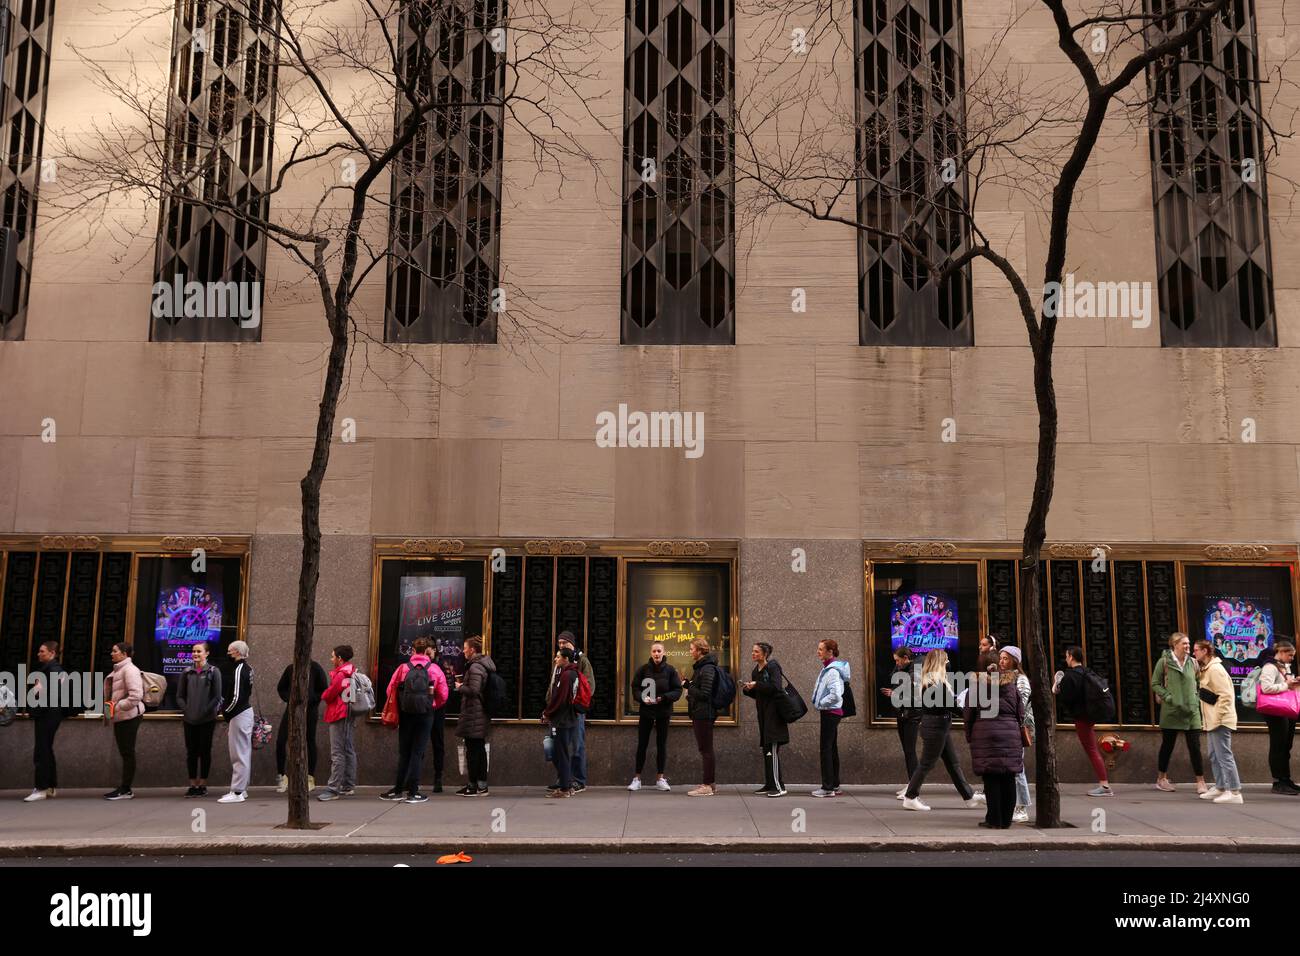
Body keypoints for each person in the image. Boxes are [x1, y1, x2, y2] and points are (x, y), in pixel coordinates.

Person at [901, 649, 982, 811]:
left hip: (938, 726)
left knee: (953, 763)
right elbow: (950, 705)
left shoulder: (931, 681)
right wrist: (969, 712)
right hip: (936, 727)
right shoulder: (934, 683)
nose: (947, 663)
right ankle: (910, 796)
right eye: (945, 661)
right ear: (939, 662)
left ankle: (969, 797)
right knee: (926, 764)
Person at [381, 637, 449, 804]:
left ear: (413, 651)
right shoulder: (434, 669)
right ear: (427, 651)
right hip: (426, 714)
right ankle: (413, 792)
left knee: (404, 752)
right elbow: (444, 695)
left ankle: (398, 789)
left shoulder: (403, 668)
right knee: (418, 752)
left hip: (406, 713)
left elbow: (390, 689)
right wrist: (432, 704)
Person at [966, 651, 1024, 829]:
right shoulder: (1011, 685)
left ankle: (994, 820)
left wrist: (970, 736)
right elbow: (1020, 712)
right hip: (1010, 734)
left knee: (991, 779)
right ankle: (1006, 820)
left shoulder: (976, 686)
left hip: (985, 735)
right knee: (1008, 777)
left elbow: (969, 714)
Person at [1150, 631, 1207, 794]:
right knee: (1167, 746)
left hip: (1191, 712)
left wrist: (1195, 700)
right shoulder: (1164, 662)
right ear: (1174, 645)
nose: (1188, 646)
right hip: (1171, 710)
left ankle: (1201, 781)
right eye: (1184, 643)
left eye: (1189, 643)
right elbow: (1155, 683)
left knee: (1195, 747)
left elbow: (1198, 683)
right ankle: (1161, 778)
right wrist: (1168, 697)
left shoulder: (1194, 663)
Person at [1053, 646, 1112, 796]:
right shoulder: (1087, 672)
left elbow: (1066, 698)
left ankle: (1104, 786)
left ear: (1071, 657)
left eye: (1067, 656)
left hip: (1081, 717)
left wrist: (1058, 686)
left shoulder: (1070, 676)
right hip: (1091, 714)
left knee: (1092, 750)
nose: (1066, 659)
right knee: (1092, 748)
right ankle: (1104, 784)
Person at [628, 641, 682, 791]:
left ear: (664, 653)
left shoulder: (671, 671)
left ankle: (660, 778)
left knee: (661, 745)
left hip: (663, 713)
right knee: (642, 745)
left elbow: (678, 691)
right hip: (646, 712)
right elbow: (635, 687)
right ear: (650, 653)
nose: (657, 654)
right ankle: (637, 779)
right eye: (654, 651)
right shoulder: (643, 669)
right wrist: (641, 698)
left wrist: (663, 698)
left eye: (659, 651)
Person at [1194, 638, 1243, 804]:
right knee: (1215, 755)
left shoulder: (1215, 669)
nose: (1194, 653)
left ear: (1205, 651)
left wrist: (1218, 717)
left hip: (1219, 720)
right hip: (1212, 720)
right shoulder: (1207, 669)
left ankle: (1235, 791)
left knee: (1224, 756)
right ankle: (1221, 787)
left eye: (1196, 650)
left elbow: (1226, 696)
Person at [546, 632, 594, 794]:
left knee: (576, 746)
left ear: (572, 643)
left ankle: (579, 780)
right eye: (559, 643)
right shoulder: (560, 659)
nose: (561, 645)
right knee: (557, 747)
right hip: (557, 712)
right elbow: (553, 685)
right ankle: (564, 779)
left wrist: (574, 706)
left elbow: (588, 686)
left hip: (573, 713)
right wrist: (549, 703)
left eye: (564, 643)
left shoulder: (581, 661)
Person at [176, 641, 223, 798]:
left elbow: (217, 697)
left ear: (207, 653)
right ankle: (192, 784)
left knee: (204, 751)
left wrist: (204, 711)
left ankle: (202, 784)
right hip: (189, 720)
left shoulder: (213, 672)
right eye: (194, 651)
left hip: (207, 720)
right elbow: (179, 696)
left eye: (199, 651)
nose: (195, 654)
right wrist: (187, 709)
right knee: (191, 752)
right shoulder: (186, 672)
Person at [742, 642, 789, 797]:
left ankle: (778, 787)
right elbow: (760, 693)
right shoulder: (756, 670)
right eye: (752, 651)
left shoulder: (773, 667)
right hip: (763, 713)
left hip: (774, 714)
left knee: (773, 749)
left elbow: (776, 687)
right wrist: (749, 690)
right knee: (767, 750)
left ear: (764, 654)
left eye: (756, 652)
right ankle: (770, 783)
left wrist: (757, 685)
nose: (753, 654)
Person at [275, 656, 328, 793]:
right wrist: (290, 699)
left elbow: (323, 689)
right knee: (281, 741)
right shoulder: (290, 668)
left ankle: (310, 777)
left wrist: (311, 700)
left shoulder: (315, 668)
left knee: (309, 741)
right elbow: (281, 688)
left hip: (310, 711)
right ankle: (282, 777)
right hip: (291, 710)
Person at [455, 636, 497, 797]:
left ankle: (474, 786)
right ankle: (479, 785)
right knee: (478, 749)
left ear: (472, 649)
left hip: (475, 714)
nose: (463, 650)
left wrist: (460, 687)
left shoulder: (475, 667)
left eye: (465, 647)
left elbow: (473, 690)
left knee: (473, 751)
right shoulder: (481, 665)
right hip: (478, 713)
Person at [25, 641, 67, 802]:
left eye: (42, 651)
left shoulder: (53, 670)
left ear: (52, 653)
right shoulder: (50, 670)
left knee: (42, 750)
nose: (38, 654)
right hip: (50, 714)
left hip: (47, 714)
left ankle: (41, 788)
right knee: (46, 749)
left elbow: (48, 695)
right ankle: (49, 786)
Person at [1257, 639, 1298, 795]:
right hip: (1275, 711)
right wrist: (1286, 685)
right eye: (1290, 655)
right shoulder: (1269, 667)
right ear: (1280, 652)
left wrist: (1292, 683)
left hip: (1286, 709)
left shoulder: (1284, 667)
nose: (1292, 659)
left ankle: (1286, 779)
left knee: (1286, 745)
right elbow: (1266, 688)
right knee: (1278, 745)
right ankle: (1278, 781)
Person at [104, 642, 144, 801]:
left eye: (114, 651)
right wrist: (111, 712)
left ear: (124, 654)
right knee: (125, 752)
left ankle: (126, 789)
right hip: (121, 716)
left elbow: (135, 696)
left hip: (129, 716)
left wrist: (116, 707)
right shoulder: (120, 669)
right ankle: (124, 787)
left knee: (127, 752)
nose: (111, 654)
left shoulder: (130, 670)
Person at [997, 647, 1033, 823]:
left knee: (1018, 768)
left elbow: (1021, 703)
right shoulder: (1003, 677)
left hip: (1017, 727)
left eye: (1005, 658)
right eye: (1000, 658)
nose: (1001, 661)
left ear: (1014, 661)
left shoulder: (1021, 679)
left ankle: (1022, 807)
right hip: (1006, 726)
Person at [319, 645, 358, 801]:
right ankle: (348, 785)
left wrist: (324, 693)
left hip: (338, 714)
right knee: (348, 749)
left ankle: (333, 788)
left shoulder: (341, 675)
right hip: (348, 714)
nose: (331, 659)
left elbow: (329, 695)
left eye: (333, 656)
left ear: (340, 658)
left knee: (337, 752)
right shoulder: (351, 671)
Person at [811, 638, 850, 798]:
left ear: (830, 652)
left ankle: (827, 787)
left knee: (826, 750)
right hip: (832, 712)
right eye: (818, 648)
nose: (818, 652)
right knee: (831, 749)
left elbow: (835, 694)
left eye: (821, 649)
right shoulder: (829, 668)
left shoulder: (832, 671)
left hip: (830, 712)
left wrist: (821, 703)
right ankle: (834, 784)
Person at [542, 647, 583, 798]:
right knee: (564, 753)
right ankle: (568, 785)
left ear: (566, 659)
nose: (555, 659)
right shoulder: (574, 673)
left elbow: (559, 699)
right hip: (570, 719)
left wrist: (547, 713)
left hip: (563, 721)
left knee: (562, 754)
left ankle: (565, 788)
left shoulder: (566, 675)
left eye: (558, 657)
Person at [219, 640, 255, 804]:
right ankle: (242, 788)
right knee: (243, 752)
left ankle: (238, 791)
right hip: (243, 712)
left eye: (230, 651)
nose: (228, 654)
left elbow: (236, 695)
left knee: (238, 753)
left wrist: (226, 711)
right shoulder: (247, 668)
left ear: (237, 652)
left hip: (239, 713)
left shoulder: (240, 669)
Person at [685, 637, 720, 797]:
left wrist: (688, 687)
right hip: (700, 712)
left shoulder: (707, 669)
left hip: (704, 713)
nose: (690, 651)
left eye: (692, 649)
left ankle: (707, 785)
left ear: (699, 651)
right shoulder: (702, 667)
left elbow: (705, 694)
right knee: (705, 749)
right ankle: (710, 783)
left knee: (706, 749)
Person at [884, 646, 920, 799]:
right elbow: (892, 678)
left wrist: (894, 694)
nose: (897, 663)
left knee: (910, 751)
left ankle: (914, 786)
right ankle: (911, 782)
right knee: (907, 750)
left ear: (906, 658)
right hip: (902, 714)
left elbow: (915, 699)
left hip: (912, 715)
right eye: (895, 661)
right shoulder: (902, 670)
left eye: (898, 661)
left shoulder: (915, 673)